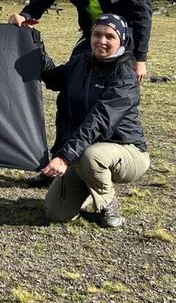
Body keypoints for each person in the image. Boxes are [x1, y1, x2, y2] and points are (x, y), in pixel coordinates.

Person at [8, 0, 152, 187]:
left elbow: (142, 10)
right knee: (68, 96)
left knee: (109, 100)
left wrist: (140, 58)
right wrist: (26, 17)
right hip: (92, 35)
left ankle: (108, 157)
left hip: (124, 39)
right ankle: (57, 165)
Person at [39, 14, 150, 228]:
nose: (102, 41)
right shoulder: (81, 62)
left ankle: (108, 207)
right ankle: (92, 187)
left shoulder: (125, 77)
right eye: (97, 34)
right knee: (56, 212)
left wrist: (63, 157)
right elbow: (52, 78)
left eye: (110, 36)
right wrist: (31, 40)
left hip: (126, 151)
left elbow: (98, 121)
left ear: (122, 41)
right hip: (84, 151)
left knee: (92, 155)